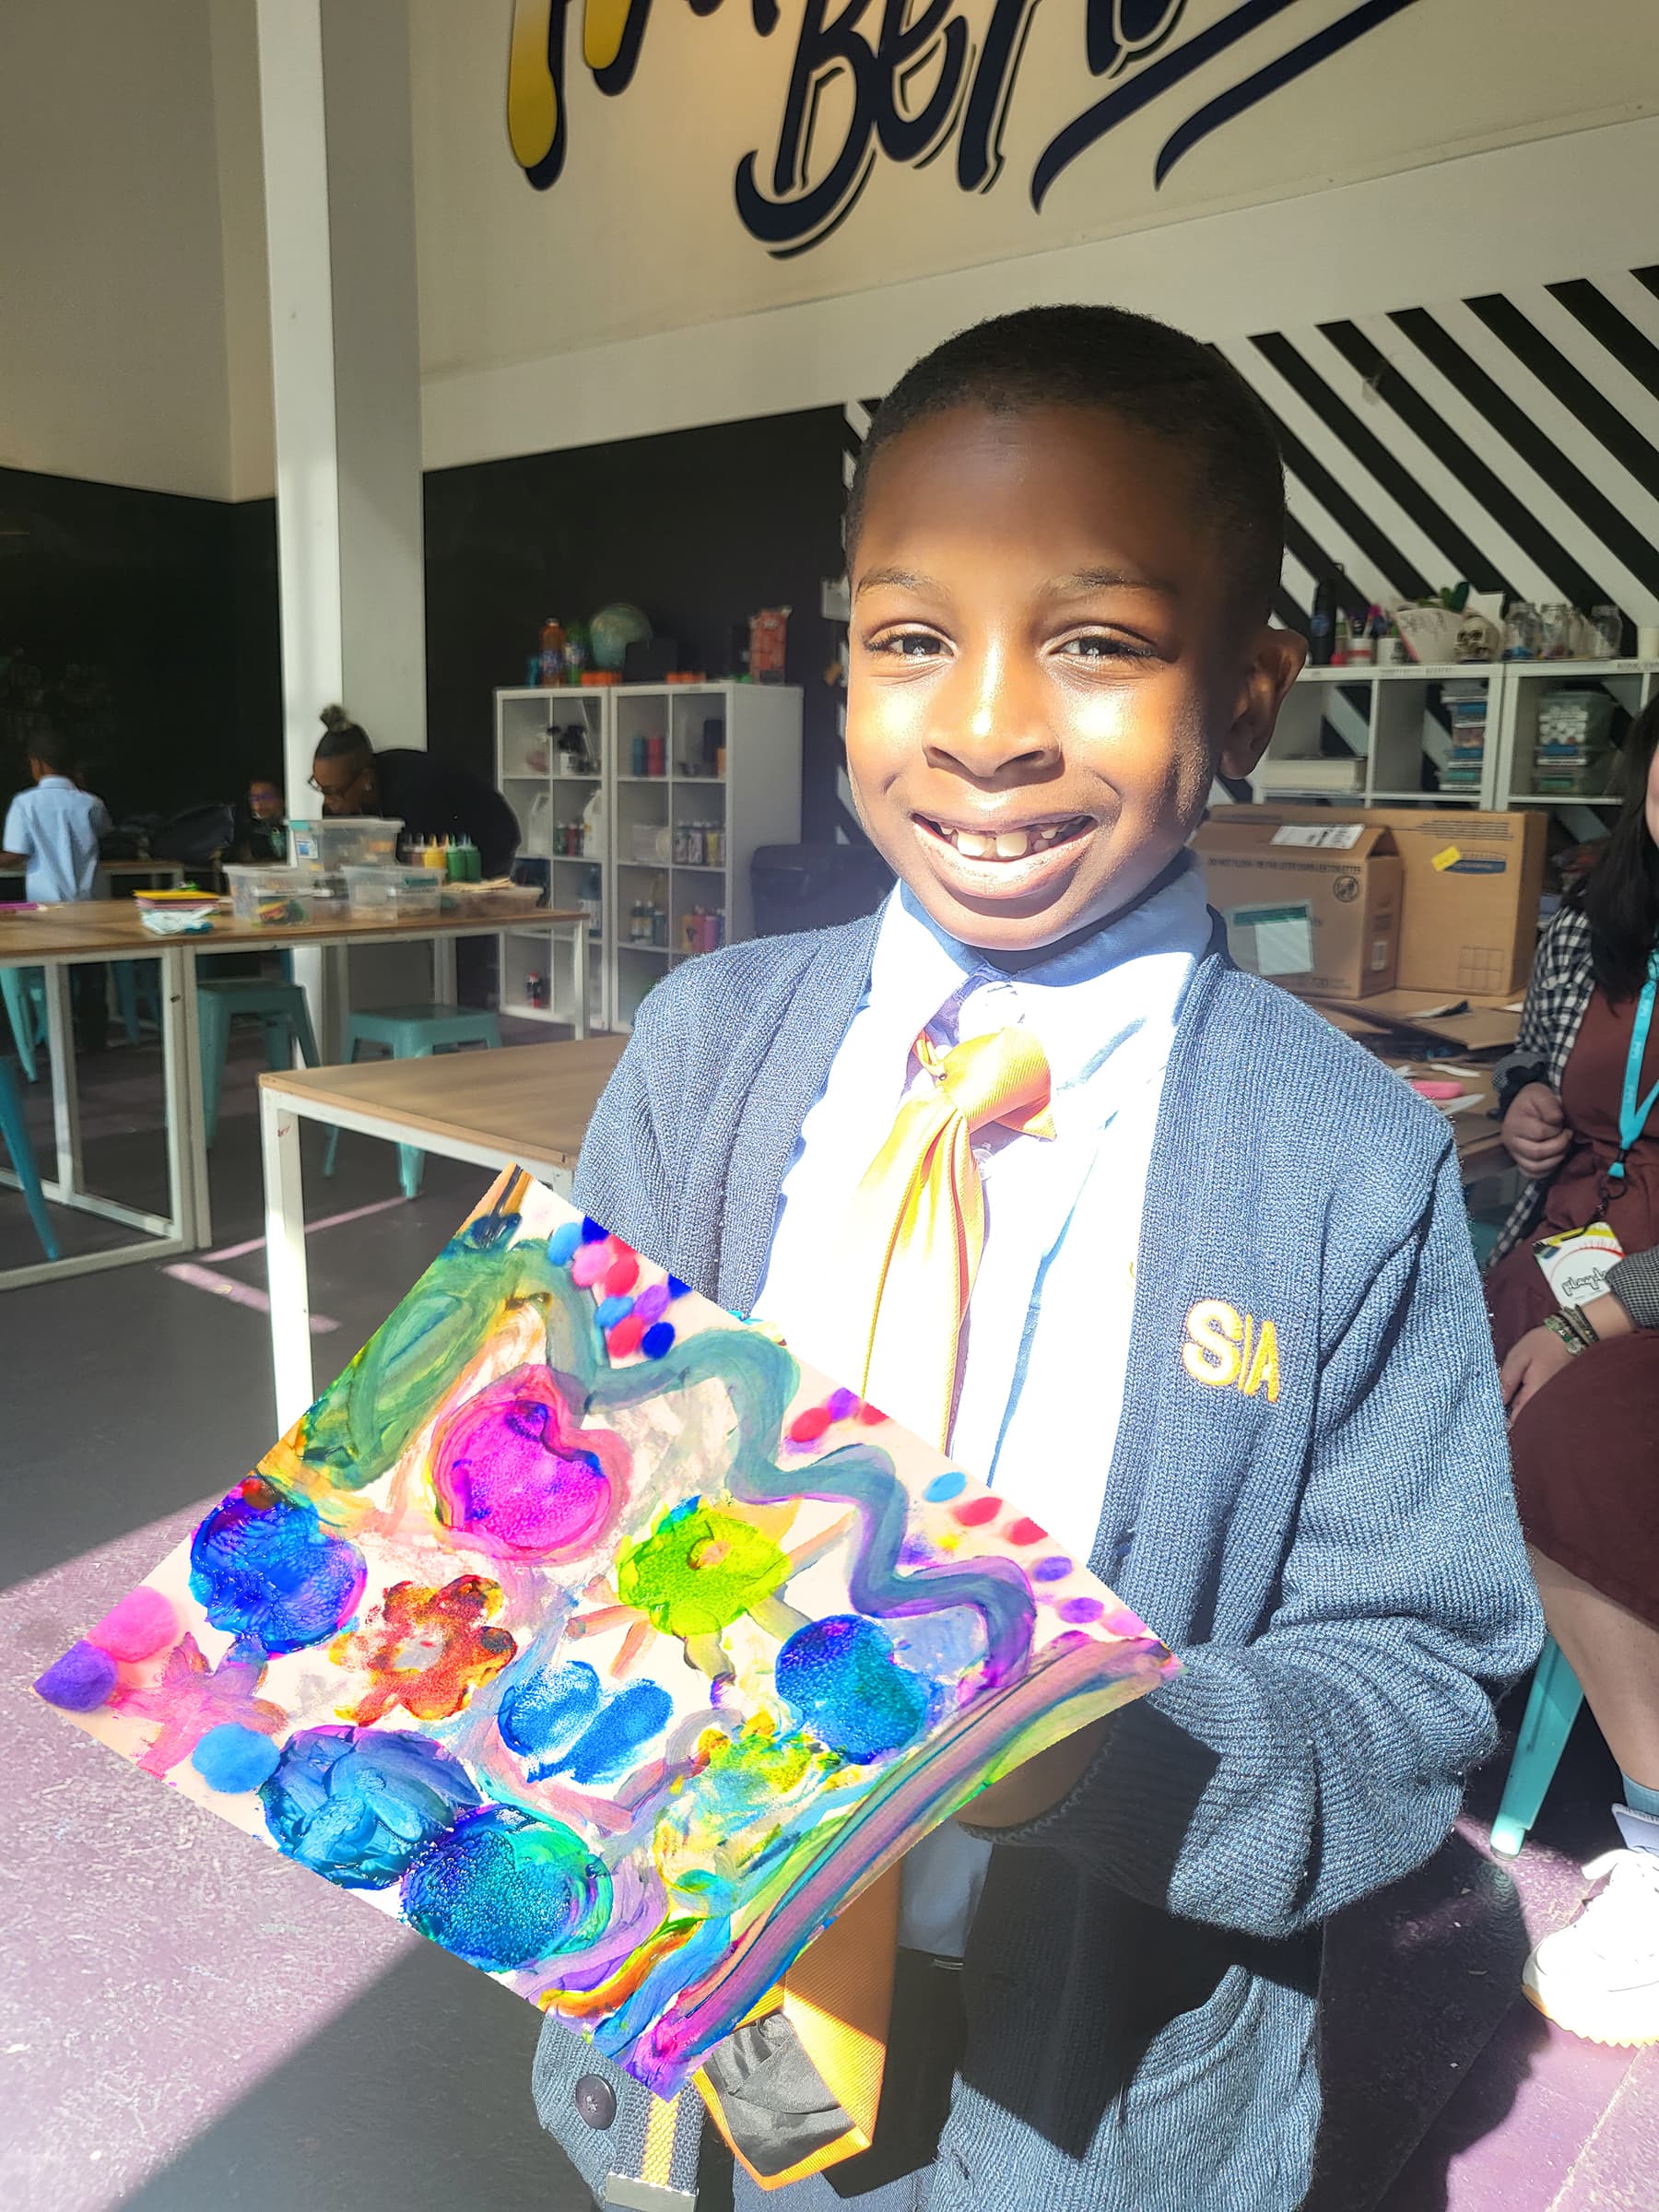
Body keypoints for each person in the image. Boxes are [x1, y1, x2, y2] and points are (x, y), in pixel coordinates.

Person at [530, 306, 1541, 2212]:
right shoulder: (709, 1056)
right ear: (845, 672)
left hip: (1095, 2102)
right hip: (692, 2017)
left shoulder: (1348, 1173)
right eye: (913, 637)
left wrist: (1080, 1753)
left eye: (1093, 643)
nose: (987, 724)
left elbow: (1413, 1689)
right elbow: (570, 1466)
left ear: (1247, 695)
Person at [1485, 694, 1659, 2049]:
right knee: (1422, 1363)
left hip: (1644, 1279)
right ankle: (1434, 1685)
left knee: (1566, 1432)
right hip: (1575, 1235)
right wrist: (1525, 1107)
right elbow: (1533, 1070)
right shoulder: (1597, 924)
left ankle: (1653, 1835)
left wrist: (1600, 1318)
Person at [309, 705, 520, 877]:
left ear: (366, 779)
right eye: (320, 788)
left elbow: (416, 870)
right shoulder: (337, 800)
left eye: (334, 791)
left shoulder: (414, 789)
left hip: (486, 837)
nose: (328, 801)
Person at [1, 730, 112, 1048]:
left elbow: (16, 854)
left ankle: (58, 1037)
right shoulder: (91, 802)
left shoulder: (24, 803)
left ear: (36, 764)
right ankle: (94, 1036)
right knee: (92, 972)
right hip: (92, 902)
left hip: (45, 906)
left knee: (53, 972)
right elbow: (104, 831)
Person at [235, 773, 288, 863]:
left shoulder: (296, 827)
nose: (259, 804)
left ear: (281, 799)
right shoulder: (250, 832)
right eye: (254, 798)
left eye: (266, 797)